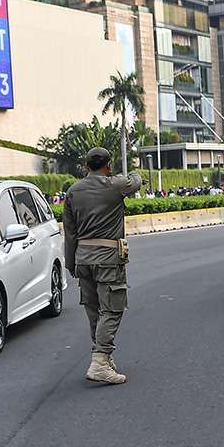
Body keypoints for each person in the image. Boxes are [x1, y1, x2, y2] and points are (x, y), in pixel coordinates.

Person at [62, 147, 142, 385]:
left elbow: (69, 232)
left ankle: (105, 358)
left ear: (86, 166)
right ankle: (99, 361)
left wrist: (70, 262)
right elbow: (135, 182)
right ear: (108, 165)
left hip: (82, 257)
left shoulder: (73, 191)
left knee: (94, 310)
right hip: (108, 257)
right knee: (112, 309)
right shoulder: (115, 184)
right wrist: (136, 174)